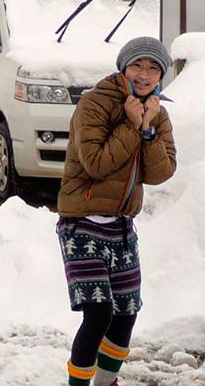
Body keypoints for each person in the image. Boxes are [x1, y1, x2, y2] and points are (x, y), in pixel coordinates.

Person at [55, 35, 176, 386]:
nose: (144, 74)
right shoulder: (95, 104)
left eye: (153, 68)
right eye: (137, 65)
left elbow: (160, 172)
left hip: (122, 227)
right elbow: (94, 163)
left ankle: (106, 383)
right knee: (98, 314)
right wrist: (130, 125)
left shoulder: (156, 112)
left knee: (126, 314)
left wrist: (149, 131)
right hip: (82, 224)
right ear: (123, 67)